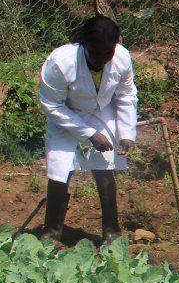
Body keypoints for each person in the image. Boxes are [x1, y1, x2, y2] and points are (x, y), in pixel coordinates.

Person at [38, 15, 138, 244]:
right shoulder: (60, 63)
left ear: (116, 44)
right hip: (66, 114)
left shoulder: (122, 58)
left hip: (100, 113)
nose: (101, 59)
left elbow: (126, 95)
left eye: (107, 53)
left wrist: (126, 132)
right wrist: (89, 134)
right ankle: (52, 232)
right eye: (95, 53)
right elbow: (51, 104)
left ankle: (112, 231)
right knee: (60, 170)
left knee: (104, 168)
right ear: (84, 44)